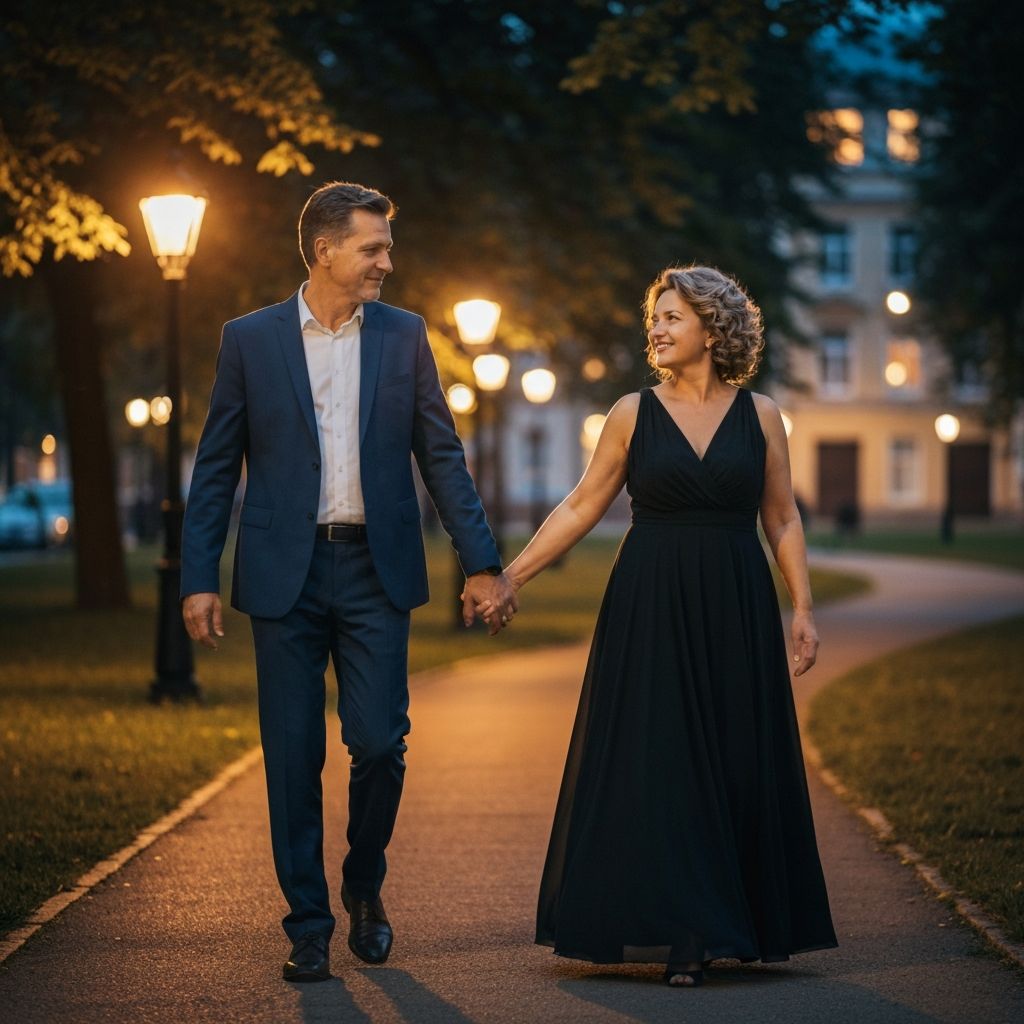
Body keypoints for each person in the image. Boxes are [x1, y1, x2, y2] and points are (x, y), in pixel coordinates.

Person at [180, 181, 517, 983]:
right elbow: (217, 464)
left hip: (375, 568)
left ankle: (363, 883)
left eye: (387, 248)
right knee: (291, 755)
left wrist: (482, 562)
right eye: (373, 248)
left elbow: (441, 454)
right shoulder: (249, 339)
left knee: (377, 741)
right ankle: (306, 923)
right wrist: (198, 575)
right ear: (324, 248)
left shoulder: (404, 337)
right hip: (281, 576)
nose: (386, 263)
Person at [483, 265, 837, 986]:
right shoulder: (630, 413)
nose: (657, 329)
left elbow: (782, 517)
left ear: (713, 327)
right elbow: (582, 505)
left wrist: (802, 607)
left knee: (735, 753)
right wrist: (511, 576)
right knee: (663, 759)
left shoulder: (762, 415)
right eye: (656, 318)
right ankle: (684, 930)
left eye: (672, 317)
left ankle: (728, 921)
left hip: (737, 600)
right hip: (650, 601)